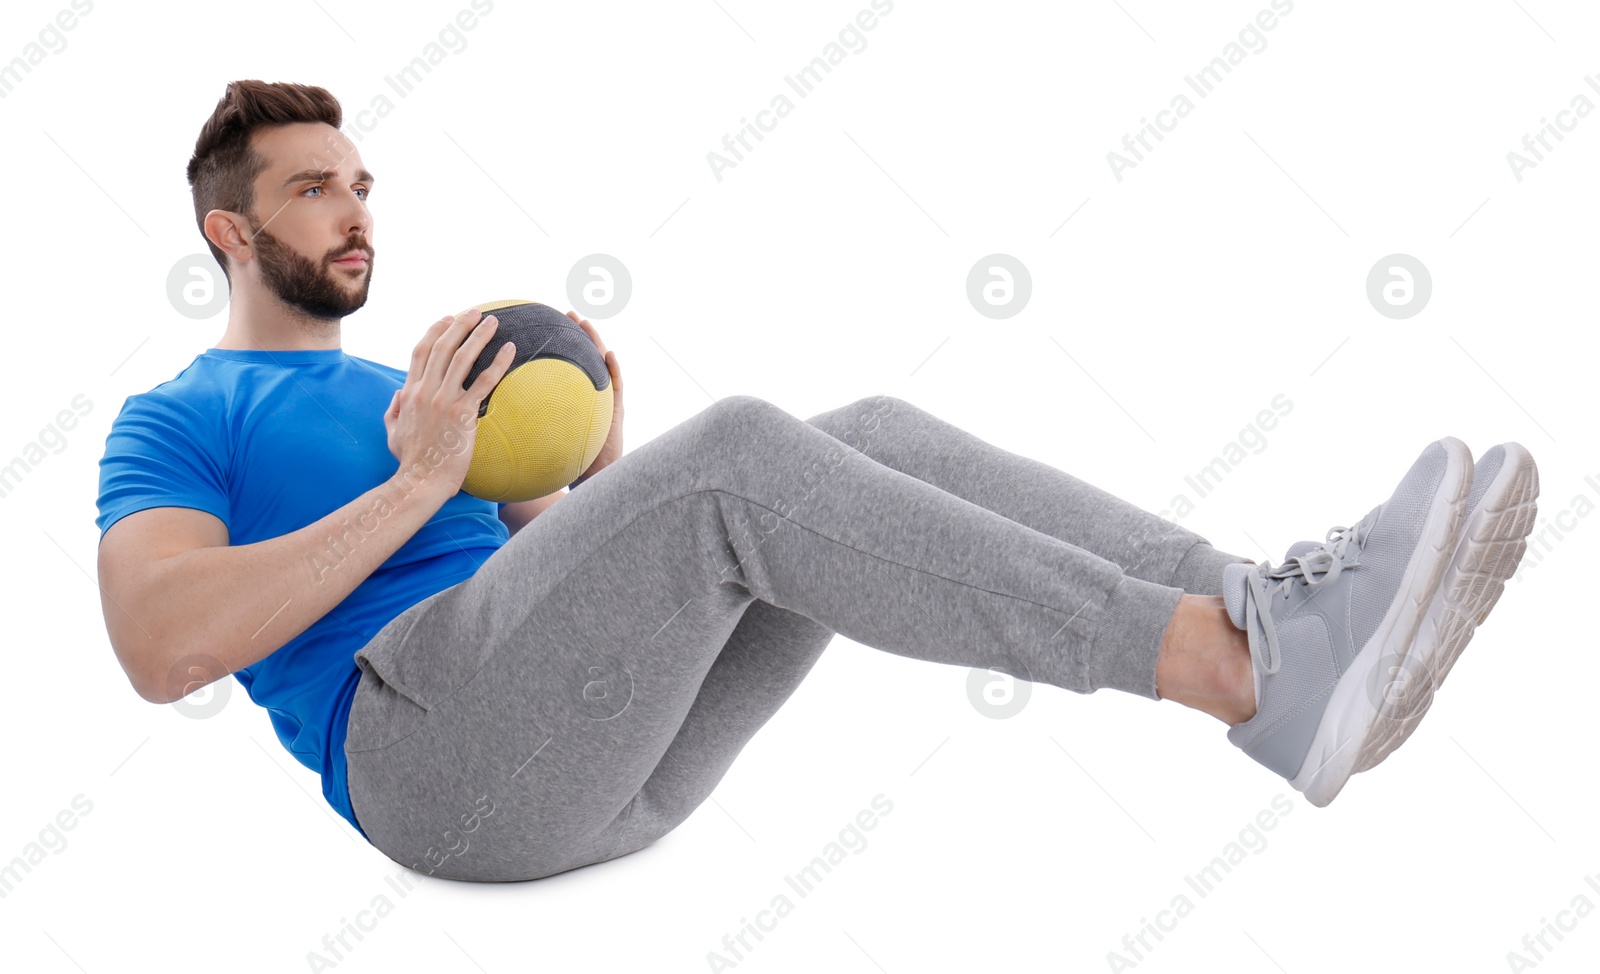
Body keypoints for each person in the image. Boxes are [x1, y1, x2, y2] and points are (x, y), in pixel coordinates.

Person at [95, 81, 1540, 883]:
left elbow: (538, 582)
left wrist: (588, 462)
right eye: (312, 189)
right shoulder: (179, 415)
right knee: (738, 451)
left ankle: (1266, 603)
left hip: (584, 765)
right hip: (425, 767)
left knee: (865, 429)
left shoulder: (413, 385)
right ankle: (1246, 673)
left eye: (362, 183)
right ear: (229, 232)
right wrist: (419, 483)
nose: (354, 211)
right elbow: (166, 647)